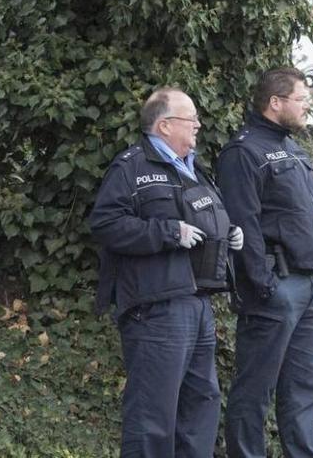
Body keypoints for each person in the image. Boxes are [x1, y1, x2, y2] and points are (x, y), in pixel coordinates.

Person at [88, 87, 244, 457]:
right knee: (152, 415)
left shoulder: (195, 170)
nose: (198, 125)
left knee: (201, 406)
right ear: (164, 125)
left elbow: (206, 218)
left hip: (198, 304)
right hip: (156, 307)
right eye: (191, 119)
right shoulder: (131, 167)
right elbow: (105, 224)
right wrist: (167, 232)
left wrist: (229, 234)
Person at [217, 68, 313, 458]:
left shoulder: (293, 149)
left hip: (309, 288)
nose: (307, 108)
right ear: (275, 103)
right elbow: (241, 223)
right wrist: (263, 285)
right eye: (301, 100)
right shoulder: (244, 152)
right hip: (275, 288)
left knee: (303, 393)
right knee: (253, 393)